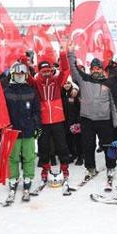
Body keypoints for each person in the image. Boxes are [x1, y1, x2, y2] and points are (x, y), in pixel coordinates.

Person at [67, 47, 117, 187]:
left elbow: (113, 103)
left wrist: (116, 121)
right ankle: (90, 168)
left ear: (102, 70)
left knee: (107, 145)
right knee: (88, 146)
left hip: (104, 120)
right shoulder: (84, 79)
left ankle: (110, 167)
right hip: (87, 119)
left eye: (98, 68)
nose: (95, 70)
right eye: (93, 68)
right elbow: (73, 68)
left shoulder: (109, 82)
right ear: (90, 69)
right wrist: (70, 52)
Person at [29, 52, 72, 183]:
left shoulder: (57, 81)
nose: (46, 73)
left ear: (52, 70)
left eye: (48, 70)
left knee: (62, 145)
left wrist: (63, 55)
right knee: (43, 146)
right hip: (43, 121)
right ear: (40, 71)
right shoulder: (36, 83)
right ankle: (45, 169)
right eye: (44, 71)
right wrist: (25, 62)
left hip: (58, 119)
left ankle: (64, 167)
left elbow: (65, 70)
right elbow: (27, 78)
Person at [4, 63, 41, 201]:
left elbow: (36, 110)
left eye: (22, 74)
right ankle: (13, 178)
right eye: (17, 74)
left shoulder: (31, 91)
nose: (19, 76)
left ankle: (28, 177)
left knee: (29, 156)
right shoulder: (7, 91)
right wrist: (5, 125)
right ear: (13, 75)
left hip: (28, 130)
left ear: (25, 75)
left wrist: (37, 125)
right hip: (12, 130)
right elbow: (3, 111)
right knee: (13, 157)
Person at [62, 79, 82, 165]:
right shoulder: (61, 94)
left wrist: (78, 120)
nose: (66, 85)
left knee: (78, 140)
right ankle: (72, 154)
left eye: (68, 83)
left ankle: (80, 156)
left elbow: (80, 107)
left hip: (75, 121)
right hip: (65, 121)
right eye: (65, 83)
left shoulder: (75, 94)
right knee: (68, 140)